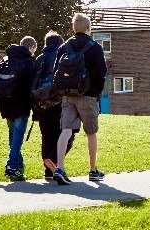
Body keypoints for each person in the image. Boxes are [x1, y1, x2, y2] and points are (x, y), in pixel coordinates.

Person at [52, 13, 107, 185]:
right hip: (88, 95)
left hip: (68, 95)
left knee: (66, 130)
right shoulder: (95, 48)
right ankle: (92, 170)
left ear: (73, 28)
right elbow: (101, 72)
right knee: (91, 132)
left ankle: (60, 167)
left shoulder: (64, 47)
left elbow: (56, 71)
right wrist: (96, 91)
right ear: (89, 28)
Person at [0, 36, 37, 181]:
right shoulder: (29, 62)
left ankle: (18, 166)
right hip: (21, 104)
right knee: (18, 136)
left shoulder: (5, 60)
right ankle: (12, 166)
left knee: (13, 135)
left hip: (5, 104)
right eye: (34, 50)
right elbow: (33, 86)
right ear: (31, 48)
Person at [31, 31, 76, 180]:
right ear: (60, 43)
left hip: (41, 104)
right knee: (67, 135)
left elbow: (32, 82)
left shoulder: (38, 59)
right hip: (58, 102)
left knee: (47, 136)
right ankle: (53, 160)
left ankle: (49, 172)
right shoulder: (62, 56)